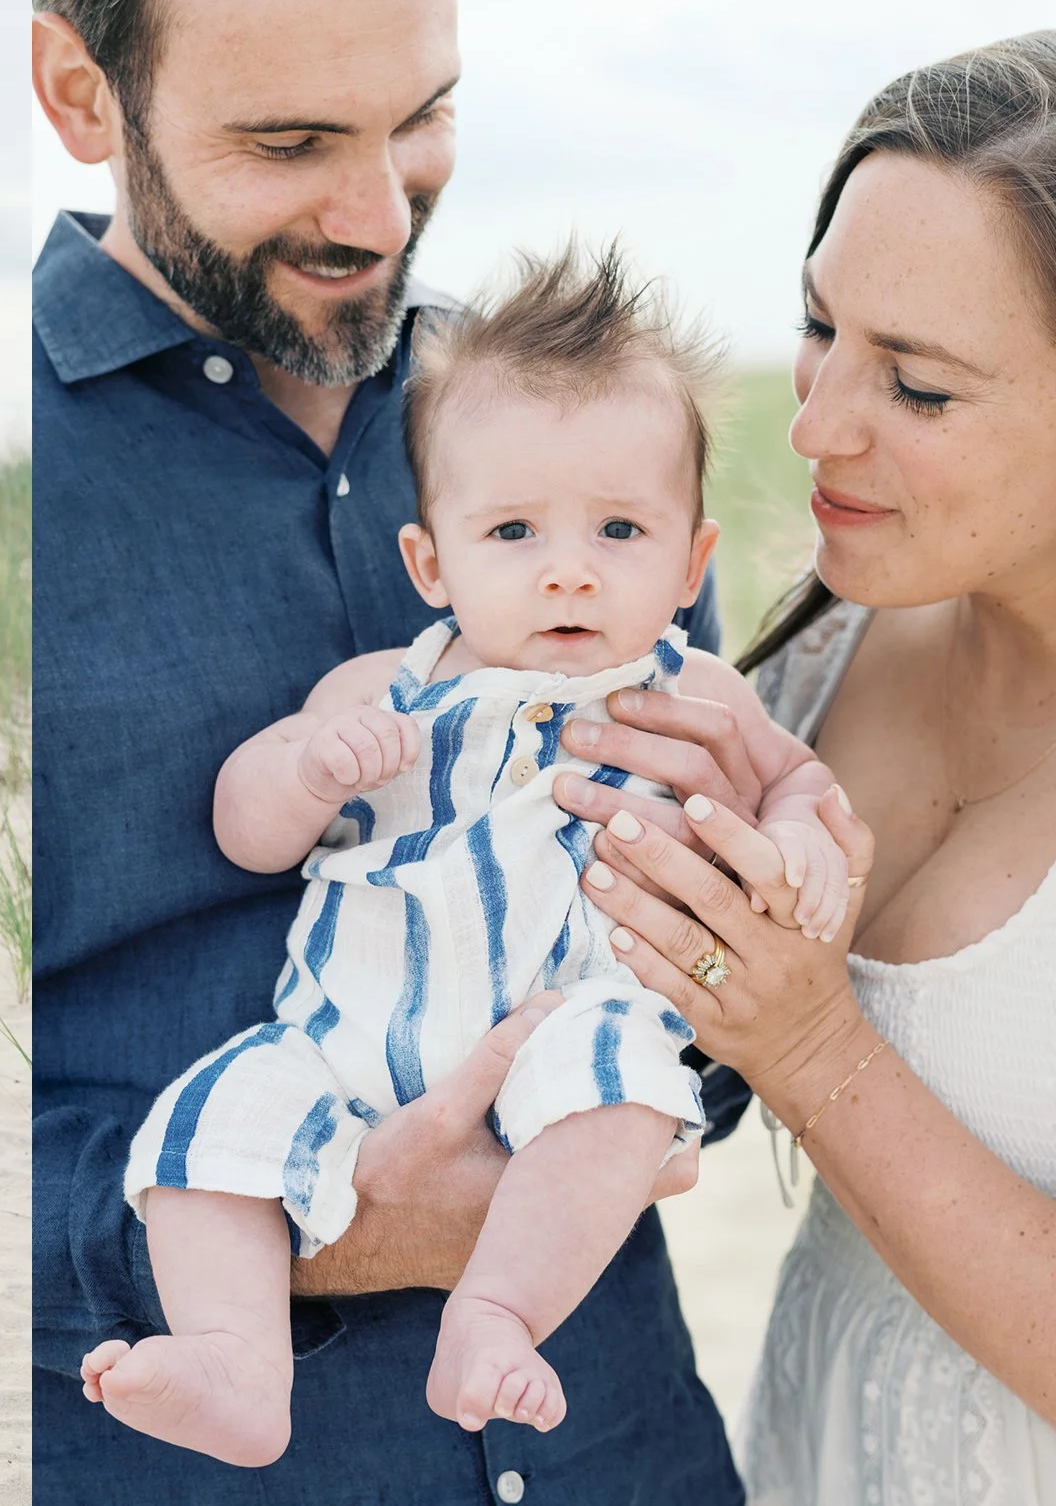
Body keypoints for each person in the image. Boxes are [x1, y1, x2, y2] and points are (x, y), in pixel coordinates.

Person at [31, 0, 748, 1498]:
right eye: (290, 141)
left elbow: (721, 952)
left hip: (620, 1444)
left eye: (423, 117)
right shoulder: (19, 472)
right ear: (84, 96)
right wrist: (322, 1234)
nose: (378, 212)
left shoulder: (572, 427)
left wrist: (713, 1024)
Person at [80, 247, 848, 1467]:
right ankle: (236, 1366)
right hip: (337, 1041)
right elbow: (244, 823)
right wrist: (309, 770)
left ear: (689, 564)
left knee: (622, 1090)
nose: (566, 565)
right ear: (429, 563)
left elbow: (793, 776)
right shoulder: (372, 691)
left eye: (617, 528)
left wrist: (803, 829)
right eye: (511, 529)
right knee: (205, 1126)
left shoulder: (684, 687)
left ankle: (496, 1312)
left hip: (560, 1021)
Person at [562, 33, 1056, 1504]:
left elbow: (801, 1041)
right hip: (818, 1436)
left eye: (916, 386)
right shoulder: (827, 650)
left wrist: (810, 1044)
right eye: (818, 325)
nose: (815, 423)